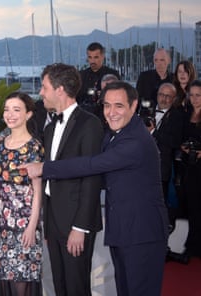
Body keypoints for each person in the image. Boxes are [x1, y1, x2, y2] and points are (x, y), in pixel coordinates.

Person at [20, 81, 169, 296]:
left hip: (142, 234)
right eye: (107, 105)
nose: (111, 112)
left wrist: (44, 168)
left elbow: (91, 164)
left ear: (134, 105)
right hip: (124, 230)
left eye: (118, 106)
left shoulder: (135, 141)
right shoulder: (114, 134)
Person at [39, 63, 105, 296]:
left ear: (59, 89)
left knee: (77, 287)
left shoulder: (89, 124)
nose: (40, 93)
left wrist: (80, 227)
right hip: (54, 220)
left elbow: (92, 178)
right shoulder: (48, 129)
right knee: (60, 285)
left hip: (76, 222)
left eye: (44, 87)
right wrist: (48, 226)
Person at [0, 92, 44, 295]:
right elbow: (0, 186)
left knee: (22, 281)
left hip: (25, 225)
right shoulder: (0, 144)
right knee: (1, 279)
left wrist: (32, 227)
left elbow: (38, 192)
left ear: (28, 114)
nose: (10, 114)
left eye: (16, 109)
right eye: (7, 109)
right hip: (2, 225)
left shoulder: (34, 147)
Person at [149, 83, 186, 264]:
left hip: (162, 171)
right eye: (161, 94)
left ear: (174, 99)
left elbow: (174, 141)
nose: (163, 99)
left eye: (168, 96)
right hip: (140, 171)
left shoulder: (178, 117)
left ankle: (161, 247)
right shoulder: (144, 111)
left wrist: (154, 131)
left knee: (160, 211)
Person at [179, 80, 201, 261]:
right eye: (191, 95)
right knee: (193, 208)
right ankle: (192, 246)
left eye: (198, 95)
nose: (194, 99)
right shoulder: (186, 114)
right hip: (190, 168)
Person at [77, 42, 120, 116]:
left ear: (102, 57)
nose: (92, 61)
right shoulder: (81, 75)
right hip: (85, 115)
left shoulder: (112, 75)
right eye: (90, 57)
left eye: (96, 57)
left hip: (106, 115)